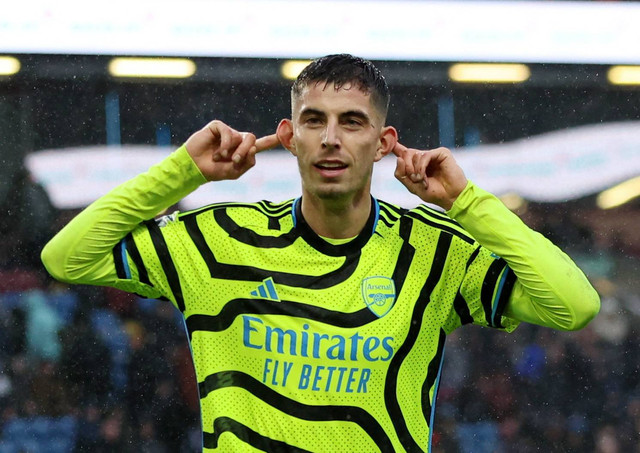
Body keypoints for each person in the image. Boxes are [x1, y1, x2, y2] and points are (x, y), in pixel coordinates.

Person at [41, 54, 600, 452]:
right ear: (290, 137)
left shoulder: (435, 248)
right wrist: (181, 171)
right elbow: (69, 257)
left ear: (383, 143)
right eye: (315, 121)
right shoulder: (218, 237)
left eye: (352, 122)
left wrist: (466, 200)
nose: (331, 138)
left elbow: (574, 306)